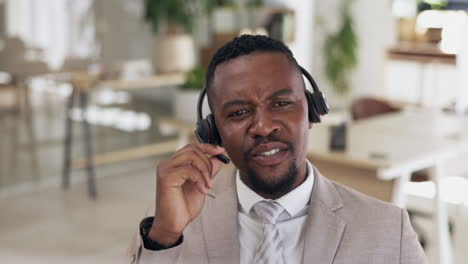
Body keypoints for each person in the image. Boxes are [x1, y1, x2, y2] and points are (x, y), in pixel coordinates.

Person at [128, 35, 426, 264]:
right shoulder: (169, 218)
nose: (262, 126)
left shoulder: (389, 228)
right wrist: (165, 237)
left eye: (281, 104)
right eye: (238, 113)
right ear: (213, 132)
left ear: (312, 112)